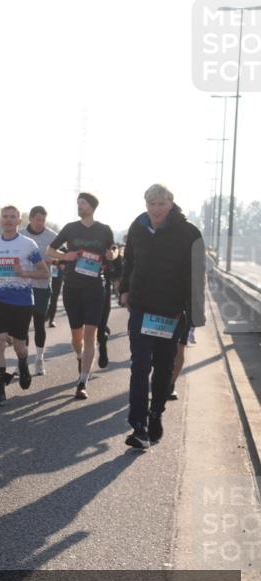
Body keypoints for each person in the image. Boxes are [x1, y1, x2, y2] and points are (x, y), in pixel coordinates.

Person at [118, 184, 204, 448]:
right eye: (151, 204)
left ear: (171, 203)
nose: (155, 209)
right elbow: (129, 261)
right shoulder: (138, 226)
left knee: (164, 367)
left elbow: (197, 275)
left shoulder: (189, 232)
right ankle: (139, 426)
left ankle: (156, 414)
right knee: (140, 365)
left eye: (160, 204)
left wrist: (194, 315)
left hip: (171, 311)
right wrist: (124, 290)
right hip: (141, 307)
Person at [45, 192, 117, 400]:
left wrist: (113, 254)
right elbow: (50, 250)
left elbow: (113, 250)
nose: (79, 206)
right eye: (78, 203)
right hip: (73, 286)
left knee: (90, 334)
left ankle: (82, 381)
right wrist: (64, 256)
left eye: (82, 203)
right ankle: (79, 355)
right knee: (76, 336)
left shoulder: (104, 230)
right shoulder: (70, 228)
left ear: (92, 206)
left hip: (95, 286)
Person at [0, 205, 48, 407]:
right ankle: (0, 391)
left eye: (13, 217)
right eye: (5, 217)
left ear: (19, 220)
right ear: (1, 221)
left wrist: (24, 274)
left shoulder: (28, 244)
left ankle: (23, 363)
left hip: (22, 302)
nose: (8, 220)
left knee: (19, 346)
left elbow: (43, 272)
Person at [22, 206, 57, 376]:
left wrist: (49, 259)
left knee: (38, 323)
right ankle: (23, 361)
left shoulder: (52, 236)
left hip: (42, 286)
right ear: (30, 219)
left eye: (43, 220)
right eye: (37, 219)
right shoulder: (21, 234)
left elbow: (61, 255)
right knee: (22, 324)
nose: (40, 223)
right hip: (23, 285)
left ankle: (39, 358)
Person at [96, 242, 123, 368]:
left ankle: (102, 345)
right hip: (80, 291)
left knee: (100, 327)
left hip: (103, 292)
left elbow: (119, 270)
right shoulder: (78, 243)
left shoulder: (108, 246)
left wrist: (107, 275)